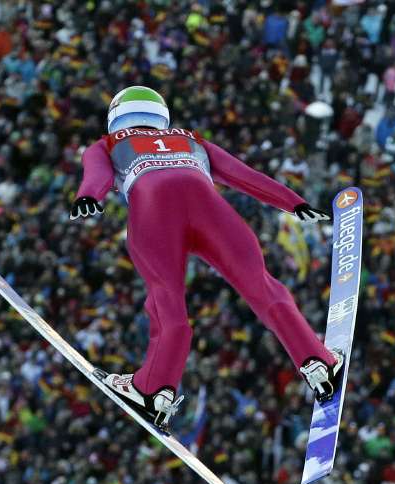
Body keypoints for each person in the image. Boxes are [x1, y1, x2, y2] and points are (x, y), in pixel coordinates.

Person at [69, 86, 345, 432]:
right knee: (261, 285)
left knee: (167, 302)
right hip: (210, 210)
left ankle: (154, 389)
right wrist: (293, 202)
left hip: (155, 215)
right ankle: (317, 361)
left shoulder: (107, 144)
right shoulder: (191, 139)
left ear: (115, 116)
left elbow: (97, 175)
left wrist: (88, 196)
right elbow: (244, 175)